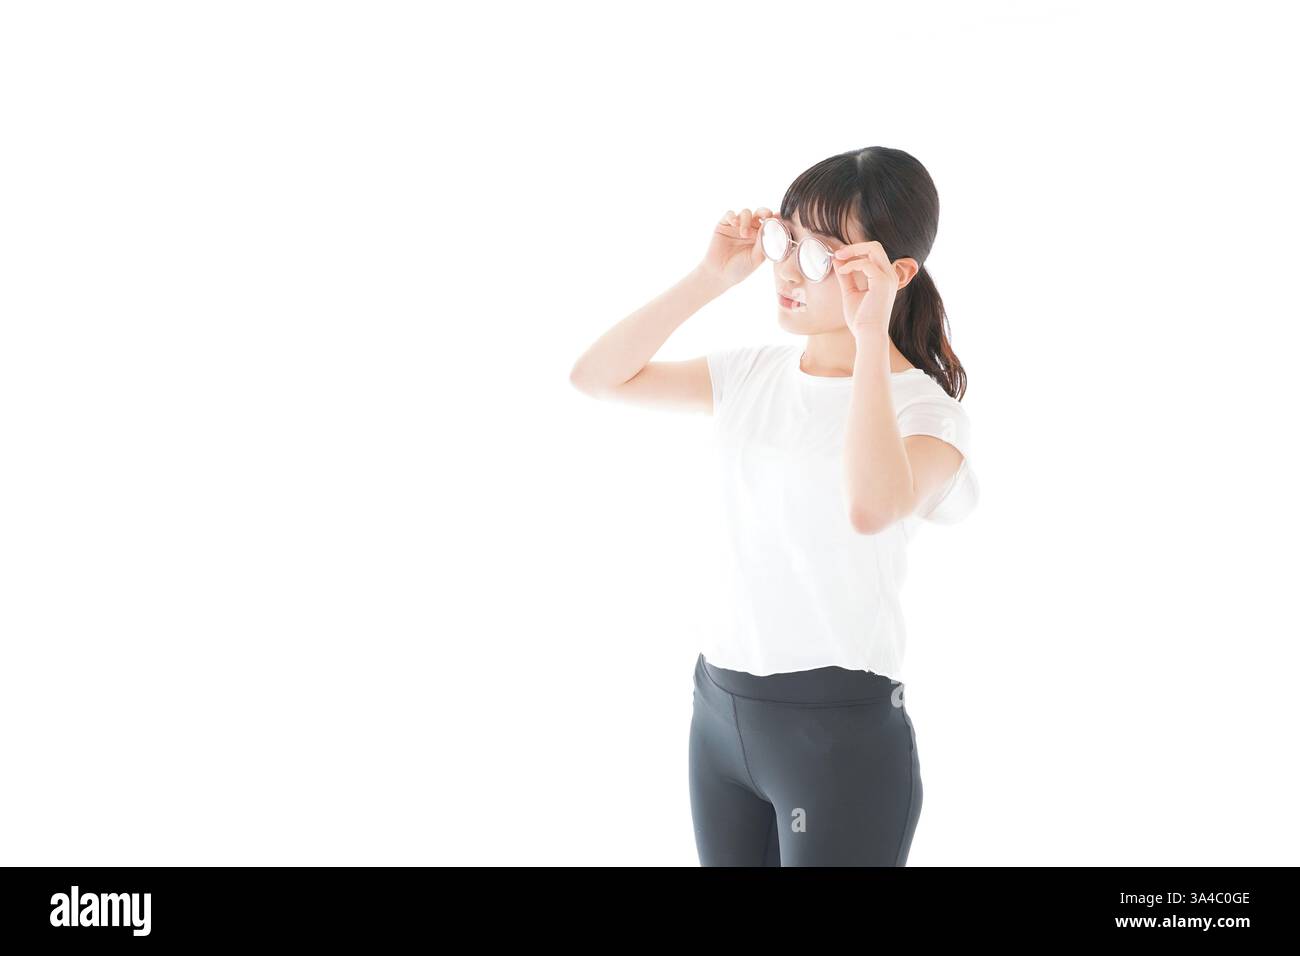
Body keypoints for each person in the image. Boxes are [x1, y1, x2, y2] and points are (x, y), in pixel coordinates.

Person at [569, 146, 979, 866]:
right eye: (786, 239)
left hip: (837, 740)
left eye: (822, 256)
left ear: (894, 274)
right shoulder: (751, 374)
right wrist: (707, 279)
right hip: (718, 715)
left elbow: (871, 506)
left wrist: (866, 339)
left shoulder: (926, 415)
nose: (788, 270)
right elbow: (596, 376)